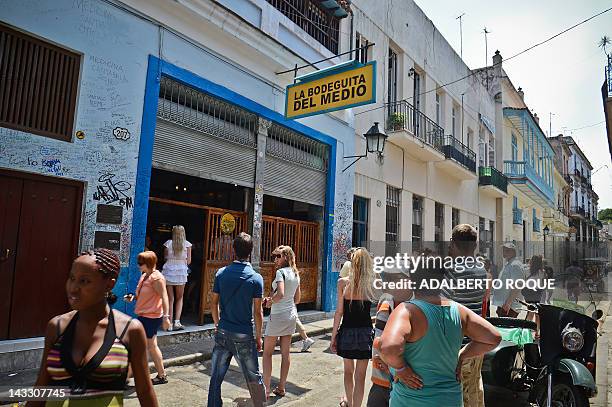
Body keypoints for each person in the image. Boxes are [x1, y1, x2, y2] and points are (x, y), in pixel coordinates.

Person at [31, 249, 158, 407]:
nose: (73, 288)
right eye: (71, 279)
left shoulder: (129, 330)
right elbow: (41, 388)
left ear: (109, 284)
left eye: (84, 281)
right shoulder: (56, 327)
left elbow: (145, 391)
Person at [378, 255, 502, 407]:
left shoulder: (406, 311)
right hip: (451, 400)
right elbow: (493, 338)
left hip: (411, 400)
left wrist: (401, 368)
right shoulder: (459, 311)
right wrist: (462, 355)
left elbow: (388, 348)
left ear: (412, 278)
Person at [208, 232, 266, 407]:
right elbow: (258, 312)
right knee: (253, 377)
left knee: (215, 377)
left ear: (233, 250)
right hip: (244, 334)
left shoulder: (221, 273)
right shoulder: (256, 278)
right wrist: (258, 336)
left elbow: (213, 303)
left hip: (223, 331)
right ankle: (259, 404)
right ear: (250, 251)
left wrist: (217, 324)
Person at [441, 224, 488, 407]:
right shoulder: (481, 271)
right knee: (475, 392)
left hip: (457, 350)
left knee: (459, 399)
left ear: (453, 243)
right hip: (476, 346)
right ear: (475, 246)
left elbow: (440, 307)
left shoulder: (453, 271)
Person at [331, 247, 375, 407]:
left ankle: (349, 404)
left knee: (348, 372)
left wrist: (333, 335)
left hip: (347, 332)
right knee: (361, 376)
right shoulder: (371, 283)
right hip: (365, 333)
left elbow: (339, 312)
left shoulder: (342, 283)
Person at [367, 266, 413, 407]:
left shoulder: (417, 306)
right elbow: (378, 338)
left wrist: (396, 368)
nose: (388, 283)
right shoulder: (386, 301)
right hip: (381, 378)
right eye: (386, 278)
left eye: (395, 279)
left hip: (405, 381)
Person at [125, 250, 171, 385]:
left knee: (138, 346)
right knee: (151, 346)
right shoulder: (145, 275)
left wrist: (166, 317)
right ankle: (161, 375)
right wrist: (132, 298)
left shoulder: (156, 278)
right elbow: (142, 295)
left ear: (149, 263)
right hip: (144, 316)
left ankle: (125, 378)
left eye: (141, 263)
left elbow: (164, 297)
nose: (139, 265)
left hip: (151, 317)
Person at [262, 245, 301, 398]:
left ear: (285, 256)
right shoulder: (296, 273)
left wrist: (270, 301)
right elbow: (297, 299)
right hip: (291, 314)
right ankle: (282, 387)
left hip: (278, 315)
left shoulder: (280, 272)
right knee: (286, 353)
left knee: (267, 353)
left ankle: (265, 389)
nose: (275, 260)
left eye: (278, 256)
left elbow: (281, 293)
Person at [162, 225, 192, 331]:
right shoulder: (187, 244)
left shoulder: (168, 243)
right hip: (181, 272)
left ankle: (169, 324)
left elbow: (165, 257)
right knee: (180, 298)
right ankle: (177, 322)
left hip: (169, 270)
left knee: (170, 298)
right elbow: (189, 261)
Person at [491, 242, 525, 317]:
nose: (504, 252)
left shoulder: (515, 265)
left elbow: (518, 284)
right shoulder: (509, 264)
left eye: (506, 250)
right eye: (503, 250)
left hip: (509, 307)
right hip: (504, 305)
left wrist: (508, 303)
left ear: (513, 252)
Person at [523, 254, 544, 322]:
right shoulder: (542, 272)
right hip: (538, 292)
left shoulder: (526, 270)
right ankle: (537, 331)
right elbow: (543, 284)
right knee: (537, 313)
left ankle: (526, 327)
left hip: (528, 292)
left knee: (530, 311)